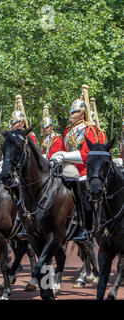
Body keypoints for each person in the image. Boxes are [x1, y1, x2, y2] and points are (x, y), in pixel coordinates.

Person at [51, 93, 98, 241]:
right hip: (66, 169)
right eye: (71, 111)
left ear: (83, 113)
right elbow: (65, 149)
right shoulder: (68, 130)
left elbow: (86, 154)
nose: (72, 114)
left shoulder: (89, 129)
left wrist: (64, 156)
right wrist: (59, 158)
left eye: (75, 111)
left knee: (84, 197)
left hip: (83, 170)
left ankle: (86, 228)